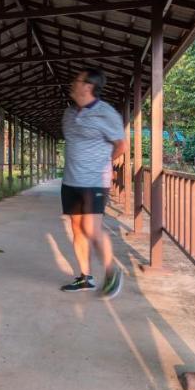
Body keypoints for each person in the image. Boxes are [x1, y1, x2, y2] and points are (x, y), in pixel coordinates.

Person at [58, 68, 127, 297]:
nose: (72, 83)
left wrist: (103, 164)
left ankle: (111, 271)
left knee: (91, 228)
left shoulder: (107, 114)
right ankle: (85, 278)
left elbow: (121, 145)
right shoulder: (68, 114)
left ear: (88, 86)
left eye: (76, 80)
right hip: (71, 181)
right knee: (77, 229)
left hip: (95, 181)